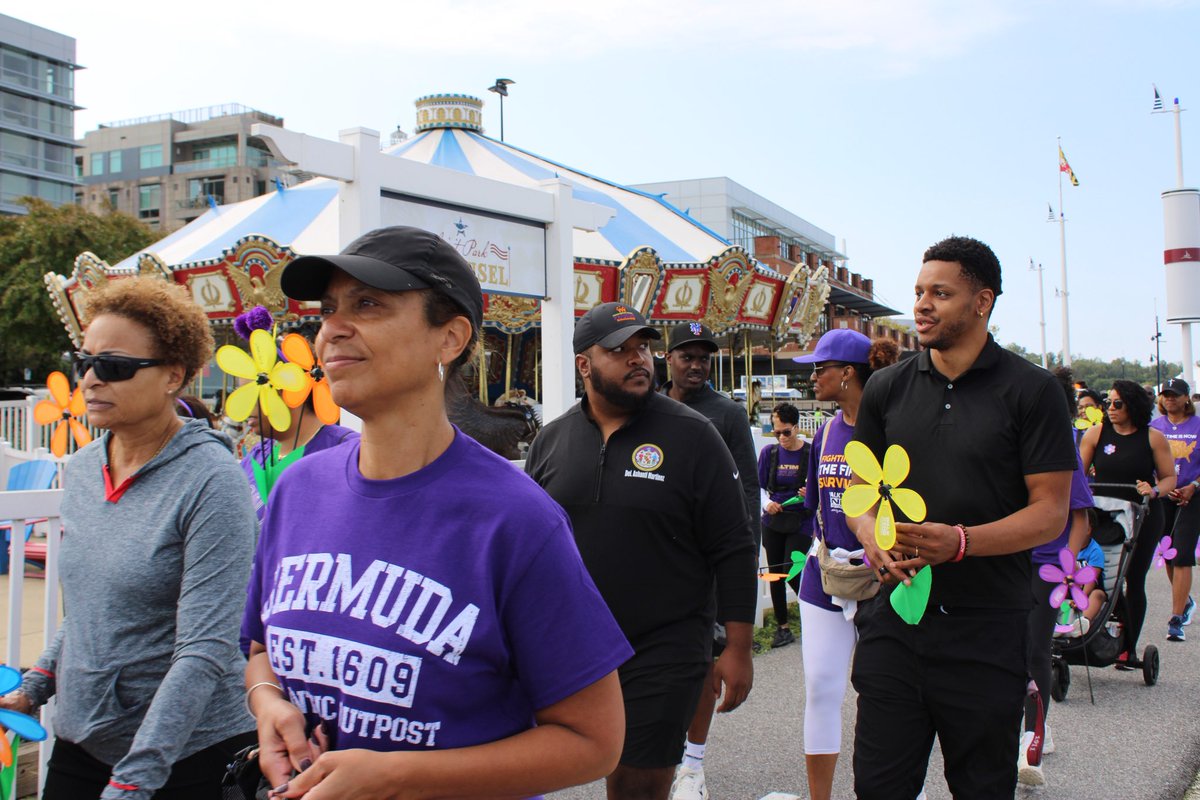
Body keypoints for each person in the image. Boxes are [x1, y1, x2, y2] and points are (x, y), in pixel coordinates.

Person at [242, 227, 630, 800]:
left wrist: (395, 777)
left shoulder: (516, 520)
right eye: (327, 309)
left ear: (449, 338)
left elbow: (594, 742)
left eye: (367, 304)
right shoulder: (298, 490)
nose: (332, 329)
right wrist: (270, 704)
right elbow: (259, 650)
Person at [0, 278, 258, 799]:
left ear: (173, 376)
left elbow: (204, 649)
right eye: (85, 362)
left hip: (186, 751)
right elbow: (91, 610)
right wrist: (34, 687)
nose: (92, 379)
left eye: (114, 366)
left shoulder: (211, 482)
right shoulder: (83, 468)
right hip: (85, 737)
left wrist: (134, 780)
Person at [846, 236, 1076, 799]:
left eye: (941, 293)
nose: (922, 305)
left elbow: (1051, 512)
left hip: (987, 628)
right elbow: (861, 488)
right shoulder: (886, 387)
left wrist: (961, 542)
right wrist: (869, 533)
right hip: (895, 621)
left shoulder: (1032, 390)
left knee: (982, 788)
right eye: (919, 291)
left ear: (982, 301)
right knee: (878, 787)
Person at [525, 301, 757, 800]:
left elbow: (734, 544)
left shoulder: (694, 435)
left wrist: (738, 646)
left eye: (644, 348)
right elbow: (527, 543)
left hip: (665, 642)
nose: (638, 359)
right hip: (577, 641)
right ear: (584, 365)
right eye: (619, 350)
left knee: (640, 782)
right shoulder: (552, 441)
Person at [795, 329, 899, 800]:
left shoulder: (894, 431)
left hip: (884, 577)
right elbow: (816, 506)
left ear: (848, 373)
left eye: (820, 368)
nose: (813, 377)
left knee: (887, 695)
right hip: (826, 573)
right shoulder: (825, 433)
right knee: (821, 688)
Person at [659, 320, 761, 800]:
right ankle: (655, 755)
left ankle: (692, 766)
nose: (696, 365)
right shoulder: (646, 405)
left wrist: (745, 557)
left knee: (702, 661)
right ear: (668, 358)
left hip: (707, 560)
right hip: (656, 557)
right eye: (687, 356)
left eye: (704, 358)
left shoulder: (727, 414)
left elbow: (747, 491)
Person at [1018, 367, 1094, 787]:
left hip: (1046, 564)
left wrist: (1068, 564)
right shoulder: (1006, 433)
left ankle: (1034, 735)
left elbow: (1080, 517)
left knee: (1034, 649)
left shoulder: (1061, 442)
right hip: (1001, 560)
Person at [1079, 379, 1176, 666]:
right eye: (1107, 402)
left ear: (1132, 406)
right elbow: (1078, 475)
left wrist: (1154, 490)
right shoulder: (1096, 434)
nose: (1110, 408)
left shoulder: (1153, 438)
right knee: (1101, 576)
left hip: (1143, 516)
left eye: (1117, 403)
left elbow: (1169, 478)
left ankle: (1128, 648)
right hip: (1104, 517)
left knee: (1133, 579)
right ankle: (1090, 632)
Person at [757, 402, 812, 647]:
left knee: (792, 567)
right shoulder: (768, 454)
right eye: (776, 432)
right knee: (775, 573)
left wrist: (810, 492)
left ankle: (815, 609)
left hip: (801, 520)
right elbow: (757, 487)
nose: (781, 437)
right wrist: (767, 503)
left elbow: (821, 485)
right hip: (773, 520)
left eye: (786, 432)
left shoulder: (810, 453)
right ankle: (783, 627)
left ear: (796, 428)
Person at [1150, 378, 1200, 640]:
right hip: (1162, 496)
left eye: (1175, 394)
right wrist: (1161, 485)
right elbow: (1147, 462)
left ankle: (1176, 617)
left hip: (1191, 497)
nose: (1169, 398)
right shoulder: (1154, 427)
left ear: (1186, 398)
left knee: (1182, 555)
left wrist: (1193, 485)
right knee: (1168, 553)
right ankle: (1185, 601)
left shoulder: (1198, 426)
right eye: (1166, 394)